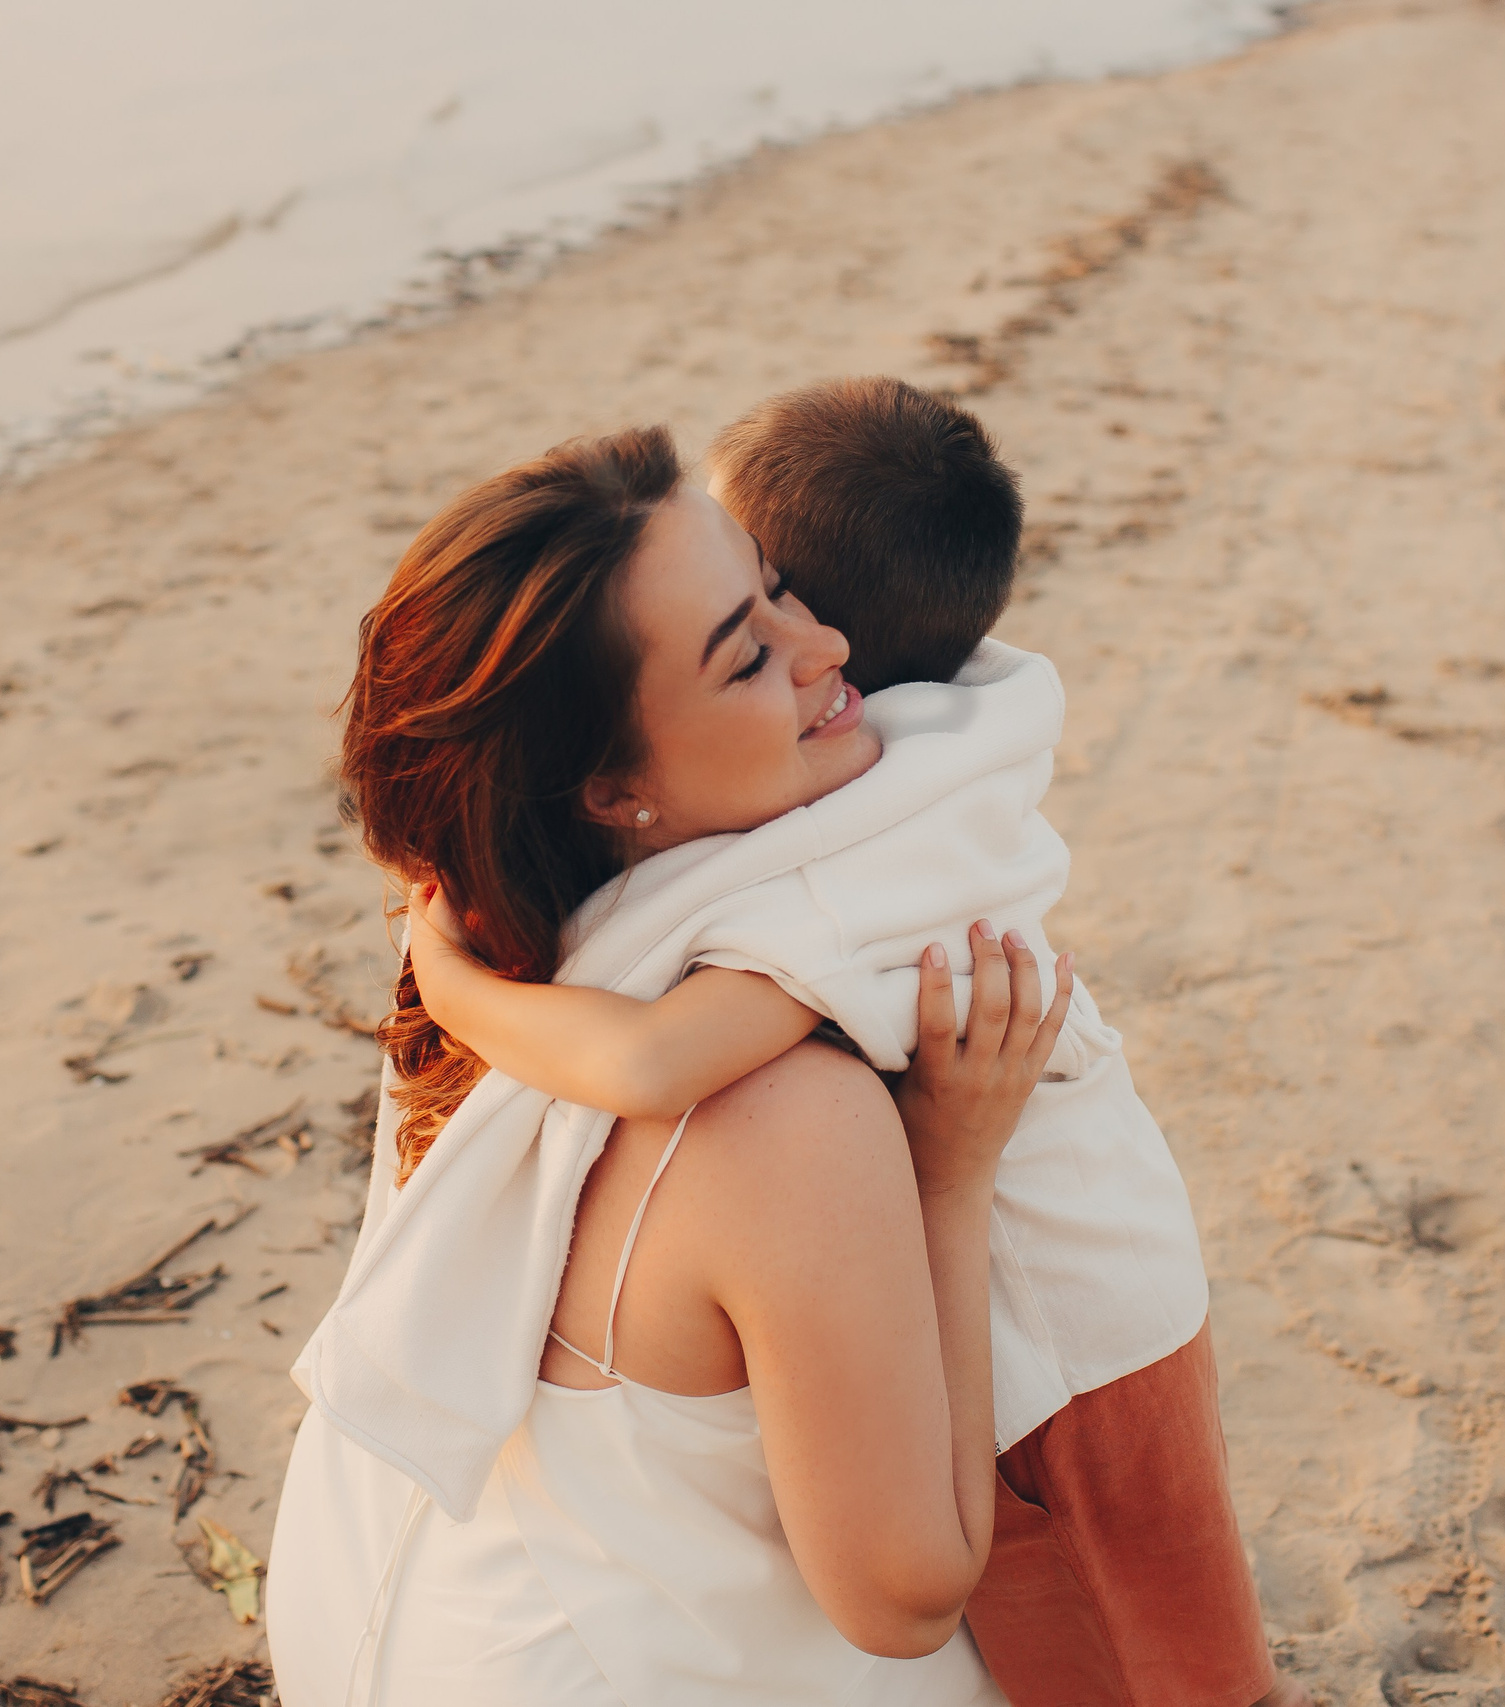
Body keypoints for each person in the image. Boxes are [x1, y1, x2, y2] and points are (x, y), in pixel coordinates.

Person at [400, 379, 1307, 1707]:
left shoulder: (867, 847)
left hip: (1077, 1318)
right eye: (750, 626)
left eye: (778, 599)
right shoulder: (923, 730)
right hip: (991, 1289)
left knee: (1173, 1665)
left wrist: (451, 982)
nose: (809, 640)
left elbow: (655, 1062)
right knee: (1065, 1646)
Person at [268, 424, 1066, 1706]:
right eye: (750, 656)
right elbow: (905, 1595)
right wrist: (948, 1177)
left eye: (775, 590)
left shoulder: (510, 959)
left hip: (369, 1618)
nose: (832, 650)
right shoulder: (776, 1105)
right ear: (608, 788)